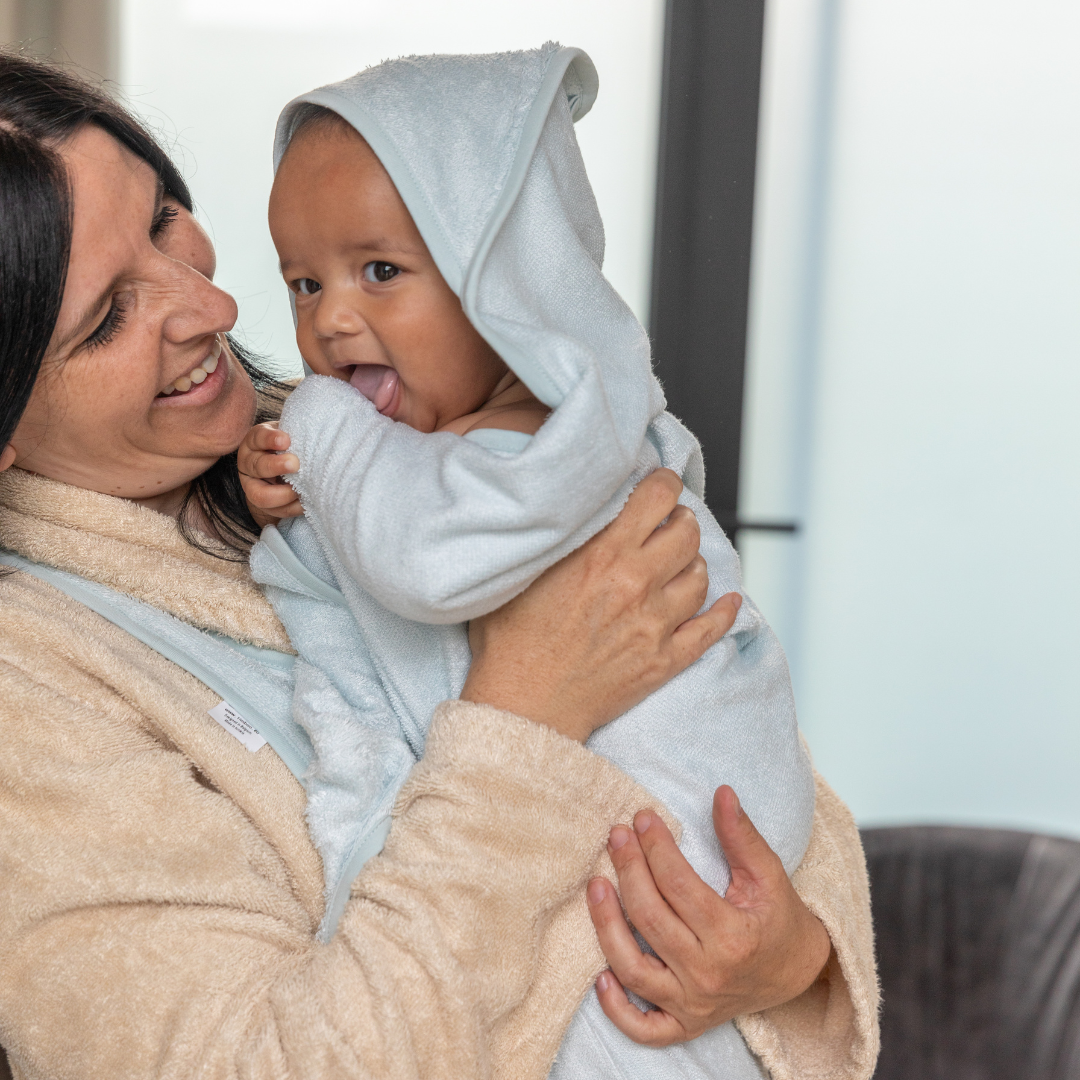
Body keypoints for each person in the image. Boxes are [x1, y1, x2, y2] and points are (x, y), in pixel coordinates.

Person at [0, 52, 878, 1080]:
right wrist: (529, 707)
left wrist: (789, 959)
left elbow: (734, 748)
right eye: (108, 316)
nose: (212, 308)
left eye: (164, 220)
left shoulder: (382, 438)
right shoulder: (35, 693)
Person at [237, 46, 819, 1078]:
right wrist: (292, 492)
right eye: (301, 280)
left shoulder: (549, 453)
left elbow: (422, 561)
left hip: (674, 847)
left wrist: (321, 436)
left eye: (381, 271)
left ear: (502, 281)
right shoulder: (446, 450)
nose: (328, 321)